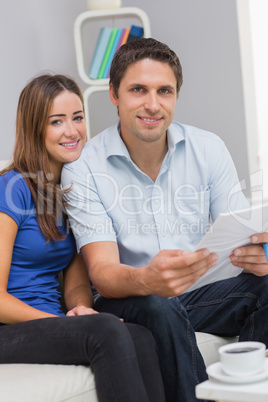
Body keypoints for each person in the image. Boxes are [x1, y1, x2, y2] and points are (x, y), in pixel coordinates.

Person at [61, 38, 268, 402]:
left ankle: (244, 393)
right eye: (138, 90)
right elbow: (104, 273)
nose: (153, 104)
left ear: (175, 96)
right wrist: (146, 278)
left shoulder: (208, 148)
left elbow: (241, 232)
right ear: (114, 94)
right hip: (130, 297)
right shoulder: (83, 168)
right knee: (158, 301)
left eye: (164, 91)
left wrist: (259, 253)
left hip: (196, 295)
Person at [0, 73, 166, 402]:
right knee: (106, 330)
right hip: (10, 329)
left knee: (141, 335)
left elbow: (77, 282)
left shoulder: (71, 192)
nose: (72, 131)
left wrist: (80, 311)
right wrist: (60, 322)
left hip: (51, 323)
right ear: (35, 128)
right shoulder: (12, 189)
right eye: (57, 122)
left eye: (77, 118)